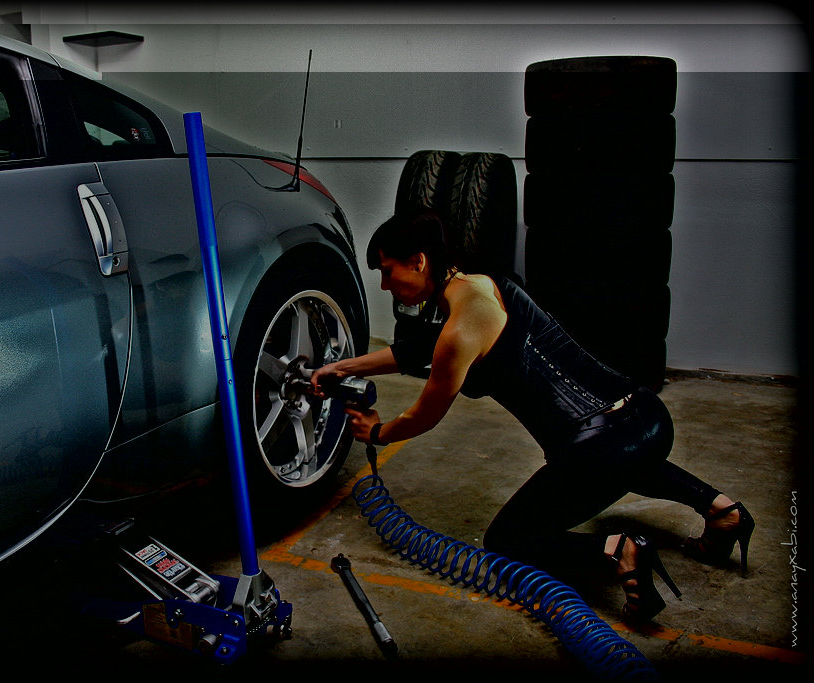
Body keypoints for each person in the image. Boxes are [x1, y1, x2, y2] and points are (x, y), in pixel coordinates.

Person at [311, 207, 755, 622]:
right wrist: (343, 368)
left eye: (387, 271)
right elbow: (417, 350)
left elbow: (425, 414)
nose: (385, 285)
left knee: (507, 541)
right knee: (623, 461)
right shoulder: (482, 286)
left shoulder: (459, 331)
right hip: (647, 419)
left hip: (597, 447)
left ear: (419, 262)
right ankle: (722, 509)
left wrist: (379, 431)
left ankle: (619, 551)